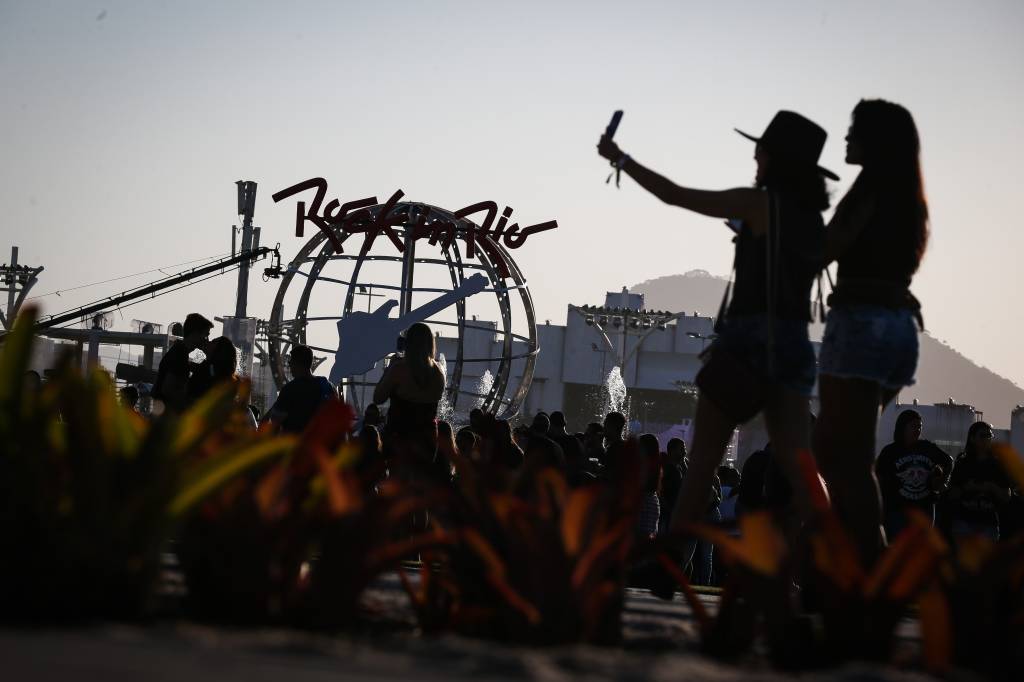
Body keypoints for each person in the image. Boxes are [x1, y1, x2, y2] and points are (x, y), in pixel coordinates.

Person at [599, 111, 833, 533]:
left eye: (761, 150)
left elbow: (676, 195)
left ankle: (671, 555)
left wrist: (621, 159)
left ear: (776, 158)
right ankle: (843, 551)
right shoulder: (811, 220)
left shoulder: (758, 203)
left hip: (747, 342)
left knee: (704, 460)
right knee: (802, 468)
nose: (755, 156)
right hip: (795, 345)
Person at [813, 99, 931, 565]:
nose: (845, 138)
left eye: (853, 131)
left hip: (861, 326)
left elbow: (824, 249)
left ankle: (871, 560)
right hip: (899, 329)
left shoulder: (870, 192)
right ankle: (838, 555)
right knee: (831, 448)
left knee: (847, 459)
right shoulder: (908, 199)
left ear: (874, 141)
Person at [372, 322, 446, 479]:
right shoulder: (439, 372)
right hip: (427, 441)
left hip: (400, 439)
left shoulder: (399, 368)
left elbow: (378, 398)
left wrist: (387, 371)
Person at [875, 409, 952, 538]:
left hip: (924, 510)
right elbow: (879, 478)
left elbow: (948, 461)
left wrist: (942, 480)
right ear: (902, 427)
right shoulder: (890, 452)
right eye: (913, 426)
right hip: (898, 511)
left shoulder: (927, 448)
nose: (917, 430)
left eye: (919, 426)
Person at [946, 422, 1013, 544]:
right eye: (983, 435)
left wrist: (991, 487)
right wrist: (966, 488)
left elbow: (1007, 496)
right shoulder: (962, 463)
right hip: (964, 523)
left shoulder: (998, 465)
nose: (987, 439)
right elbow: (951, 494)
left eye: (989, 435)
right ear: (972, 438)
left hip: (988, 524)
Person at [263, 344, 336, 433]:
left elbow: (274, 423)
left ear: (297, 363)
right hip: (321, 443)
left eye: (290, 362)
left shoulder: (289, 390)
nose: (289, 366)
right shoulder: (327, 386)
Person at [153, 313, 213, 412]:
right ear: (195, 333)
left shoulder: (179, 353)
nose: (207, 340)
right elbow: (168, 389)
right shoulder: (179, 355)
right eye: (205, 335)